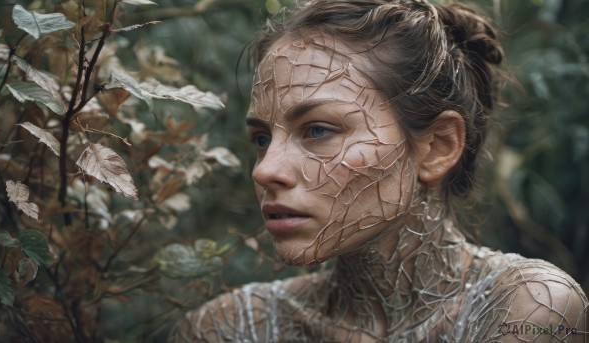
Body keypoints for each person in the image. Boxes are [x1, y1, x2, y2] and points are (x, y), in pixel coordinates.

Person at [172, 0, 588, 341]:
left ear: (437, 148)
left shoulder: (527, 306)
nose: (265, 170)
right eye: (262, 138)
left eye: (318, 130)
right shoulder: (228, 328)